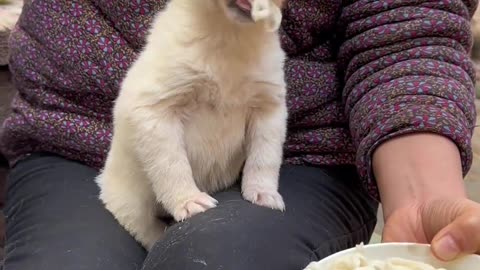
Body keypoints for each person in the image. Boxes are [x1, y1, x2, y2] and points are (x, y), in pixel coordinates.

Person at [1, 0, 479, 269]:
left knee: (211, 262)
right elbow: (149, 111)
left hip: (303, 153)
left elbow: (405, 27)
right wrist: (179, 192)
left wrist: (419, 202)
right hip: (78, 136)